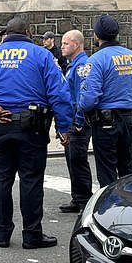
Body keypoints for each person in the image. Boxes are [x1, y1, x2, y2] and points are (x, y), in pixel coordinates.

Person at [0, 17, 72, 249]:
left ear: (6, 33)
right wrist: (64, 126)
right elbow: (59, 92)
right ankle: (31, 235)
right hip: (32, 129)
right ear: (28, 32)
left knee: (2, 180)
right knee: (31, 182)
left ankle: (2, 233)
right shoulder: (42, 55)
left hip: (0, 125)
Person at [78, 14, 132, 187]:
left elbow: (89, 99)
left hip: (105, 122)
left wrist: (81, 110)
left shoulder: (96, 60)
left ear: (96, 35)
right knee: (127, 166)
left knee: (107, 170)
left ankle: (110, 211)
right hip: (128, 119)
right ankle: (129, 206)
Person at [59, 30, 92, 213]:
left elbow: (82, 96)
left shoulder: (82, 67)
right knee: (72, 159)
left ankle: (84, 199)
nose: (62, 46)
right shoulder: (73, 65)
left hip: (77, 119)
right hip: (70, 117)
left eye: (66, 43)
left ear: (77, 45)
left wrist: (78, 122)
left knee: (78, 159)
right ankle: (77, 197)